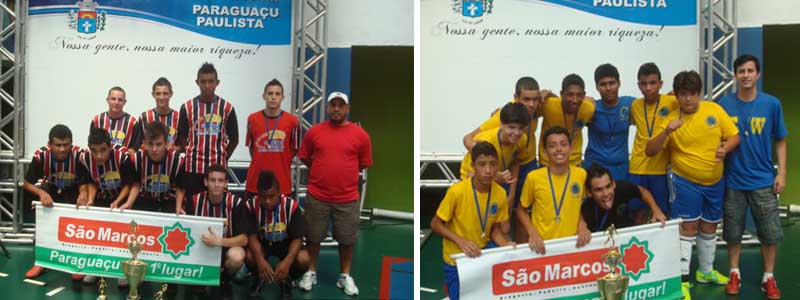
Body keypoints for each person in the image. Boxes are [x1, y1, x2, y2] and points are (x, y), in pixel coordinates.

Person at [646, 70, 740, 299]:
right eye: (684, 94)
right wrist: (668, 130)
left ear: (699, 94)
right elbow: (650, 150)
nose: (689, 99)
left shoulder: (714, 110)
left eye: (693, 94)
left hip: (715, 182)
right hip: (685, 182)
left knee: (709, 226)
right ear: (676, 95)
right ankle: (683, 279)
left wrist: (724, 148)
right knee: (687, 228)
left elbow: (735, 136)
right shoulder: (671, 119)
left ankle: (705, 271)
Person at [718, 54, 787, 299]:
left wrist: (782, 173)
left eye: (750, 71)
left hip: (763, 181)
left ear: (757, 74)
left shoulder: (772, 104)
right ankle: (734, 272)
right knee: (733, 232)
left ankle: (769, 277)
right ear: (735, 75)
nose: (746, 75)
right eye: (741, 71)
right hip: (733, 181)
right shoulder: (724, 105)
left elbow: (780, 140)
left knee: (769, 233)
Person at [296, 91, 373, 296]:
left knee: (346, 240)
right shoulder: (314, 132)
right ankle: (311, 272)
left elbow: (363, 163)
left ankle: (344, 276)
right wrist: (321, 170)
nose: (336, 109)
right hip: (317, 196)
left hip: (347, 199)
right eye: (333, 105)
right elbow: (305, 156)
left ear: (347, 108)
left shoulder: (361, 136)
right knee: (313, 237)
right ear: (327, 108)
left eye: (341, 105)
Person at [462, 77, 543, 243]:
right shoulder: (491, 133)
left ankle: (511, 255)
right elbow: (468, 140)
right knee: (481, 221)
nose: (531, 104)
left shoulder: (522, 135)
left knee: (510, 219)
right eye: (526, 99)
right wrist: (492, 170)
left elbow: (515, 162)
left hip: (512, 169)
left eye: (535, 99)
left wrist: (511, 193)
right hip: (478, 175)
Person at [430, 142, 513, 300]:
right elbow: (435, 224)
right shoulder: (457, 192)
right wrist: (460, 241)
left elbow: (495, 229)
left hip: (481, 251)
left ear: (498, 167)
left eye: (493, 164)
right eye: (482, 164)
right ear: (473, 165)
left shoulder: (500, 193)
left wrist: (505, 245)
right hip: (457, 258)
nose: (488, 170)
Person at [23, 124, 88, 281]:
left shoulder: (80, 155)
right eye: (58, 145)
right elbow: (25, 183)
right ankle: (41, 262)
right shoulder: (41, 156)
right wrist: (41, 192)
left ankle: (78, 263)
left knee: (78, 225)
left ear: (71, 144)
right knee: (44, 219)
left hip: (72, 191)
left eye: (66, 145)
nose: (62, 149)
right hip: (50, 190)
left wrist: (84, 192)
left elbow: (86, 181)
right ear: (50, 144)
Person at [518, 126, 591, 255]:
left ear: (571, 148)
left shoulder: (581, 174)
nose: (558, 149)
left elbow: (577, 205)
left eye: (563, 144)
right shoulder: (533, 177)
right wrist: (532, 232)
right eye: (552, 146)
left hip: (573, 244)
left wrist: (582, 223)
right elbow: (521, 209)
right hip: (543, 246)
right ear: (545, 152)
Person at [77, 127, 133, 284]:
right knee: (99, 234)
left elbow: (129, 184)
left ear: (110, 146)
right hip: (102, 195)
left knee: (122, 235)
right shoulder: (84, 158)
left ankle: (123, 271)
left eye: (103, 150)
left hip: (122, 197)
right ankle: (96, 268)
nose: (99, 155)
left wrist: (118, 201)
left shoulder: (123, 156)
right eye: (94, 151)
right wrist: (90, 199)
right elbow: (91, 181)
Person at [242, 171, 310, 299]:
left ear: (279, 193)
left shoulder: (291, 206)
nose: (267, 201)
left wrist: (287, 262)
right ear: (258, 193)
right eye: (263, 197)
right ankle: (258, 277)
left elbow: (298, 238)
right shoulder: (251, 206)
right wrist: (260, 261)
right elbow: (251, 236)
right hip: (263, 243)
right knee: (250, 256)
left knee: (304, 258)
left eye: (272, 196)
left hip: (286, 243)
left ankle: (287, 280)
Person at [176, 62, 239, 198]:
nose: (207, 86)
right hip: (193, 168)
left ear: (217, 83)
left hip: (217, 169)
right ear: (197, 82)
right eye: (203, 81)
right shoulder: (187, 107)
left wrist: (223, 156)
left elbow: (234, 139)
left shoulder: (227, 108)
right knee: (192, 208)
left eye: (211, 81)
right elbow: (182, 137)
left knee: (217, 208)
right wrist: (190, 152)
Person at [188, 164, 249, 300]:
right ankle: (198, 282)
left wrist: (218, 241)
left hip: (225, 249)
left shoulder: (236, 203)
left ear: (226, 183)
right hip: (200, 247)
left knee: (237, 256)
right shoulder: (194, 200)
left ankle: (224, 281)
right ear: (205, 182)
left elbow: (244, 239)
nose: (216, 184)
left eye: (220, 180)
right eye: (212, 180)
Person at [629, 63, 677, 223]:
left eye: (652, 83)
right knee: (637, 215)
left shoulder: (672, 101)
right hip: (637, 167)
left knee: (662, 215)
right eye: (644, 83)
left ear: (661, 84)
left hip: (660, 170)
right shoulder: (635, 105)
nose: (648, 88)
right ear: (638, 85)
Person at [245, 79, 300, 198]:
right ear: (264, 96)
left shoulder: (293, 122)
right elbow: (252, 148)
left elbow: (294, 149)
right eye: (270, 93)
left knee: (280, 217)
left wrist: (280, 159)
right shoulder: (252, 119)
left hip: (282, 183)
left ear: (283, 97)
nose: (273, 97)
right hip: (255, 182)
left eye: (277, 94)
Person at [584, 64, 635, 181]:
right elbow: (566, 106)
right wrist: (581, 101)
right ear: (597, 87)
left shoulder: (629, 104)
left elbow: (653, 104)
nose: (608, 88)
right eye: (603, 84)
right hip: (595, 168)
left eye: (612, 83)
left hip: (621, 168)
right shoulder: (591, 107)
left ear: (619, 83)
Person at [580, 164, 666, 232]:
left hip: (625, 234)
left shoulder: (622, 188)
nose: (606, 193)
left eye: (608, 186)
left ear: (613, 184)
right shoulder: (585, 208)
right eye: (598, 190)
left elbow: (643, 191)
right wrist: (581, 225)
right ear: (589, 192)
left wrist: (656, 209)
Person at [123, 122, 186, 214]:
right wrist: (129, 203)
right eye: (150, 144)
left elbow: (180, 187)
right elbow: (136, 184)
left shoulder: (178, 161)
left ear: (167, 144)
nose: (154, 149)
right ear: (144, 143)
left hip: (169, 199)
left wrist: (178, 207)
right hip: (145, 198)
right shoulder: (135, 159)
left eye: (159, 144)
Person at [537, 74, 595, 167]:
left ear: (584, 95)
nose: (575, 100)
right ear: (562, 94)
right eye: (570, 94)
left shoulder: (589, 108)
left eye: (579, 95)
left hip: (574, 161)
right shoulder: (548, 105)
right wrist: (542, 93)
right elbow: (527, 108)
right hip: (547, 161)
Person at [130, 77, 181, 151]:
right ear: (153, 94)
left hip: (172, 161)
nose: (161, 97)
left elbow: (183, 147)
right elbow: (139, 144)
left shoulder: (179, 117)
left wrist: (170, 149)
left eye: (165, 93)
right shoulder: (145, 117)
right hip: (149, 161)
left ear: (171, 94)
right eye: (158, 94)